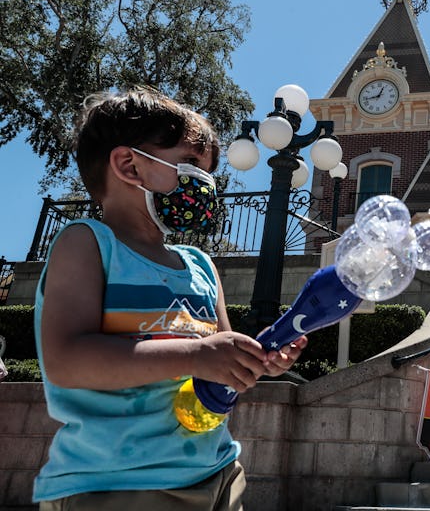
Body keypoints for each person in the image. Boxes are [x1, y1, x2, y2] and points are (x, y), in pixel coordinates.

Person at [33, 88, 306, 510]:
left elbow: (217, 366)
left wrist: (255, 360)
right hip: (117, 483)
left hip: (219, 472)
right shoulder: (87, 243)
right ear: (128, 164)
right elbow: (67, 361)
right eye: (191, 164)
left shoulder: (200, 264)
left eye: (208, 170)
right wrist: (197, 354)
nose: (205, 183)